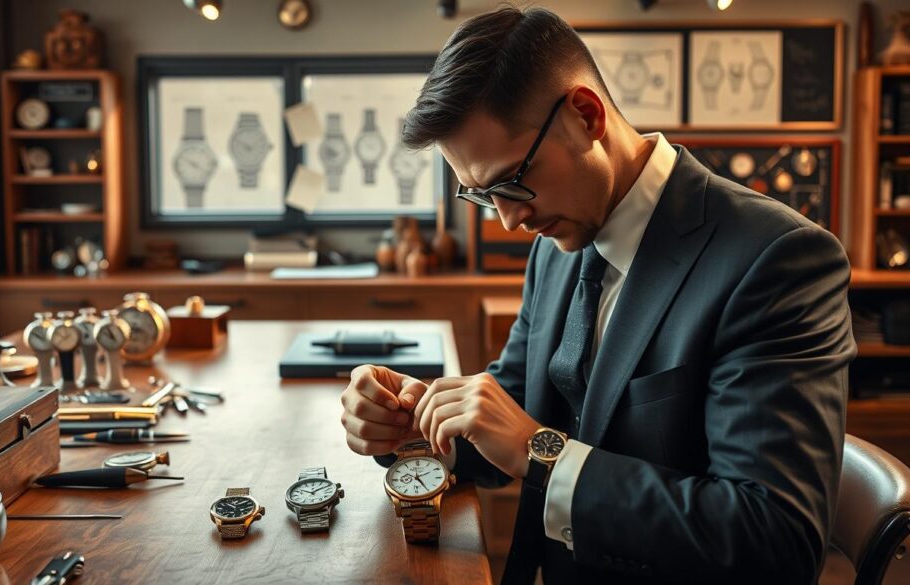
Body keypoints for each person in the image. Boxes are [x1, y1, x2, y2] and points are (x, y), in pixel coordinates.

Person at [340, 6, 856, 584]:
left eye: (511, 181)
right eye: (482, 196)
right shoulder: (557, 238)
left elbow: (774, 539)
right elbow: (521, 400)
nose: (509, 222)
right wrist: (420, 424)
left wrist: (541, 452)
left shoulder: (776, 260)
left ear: (585, 115)